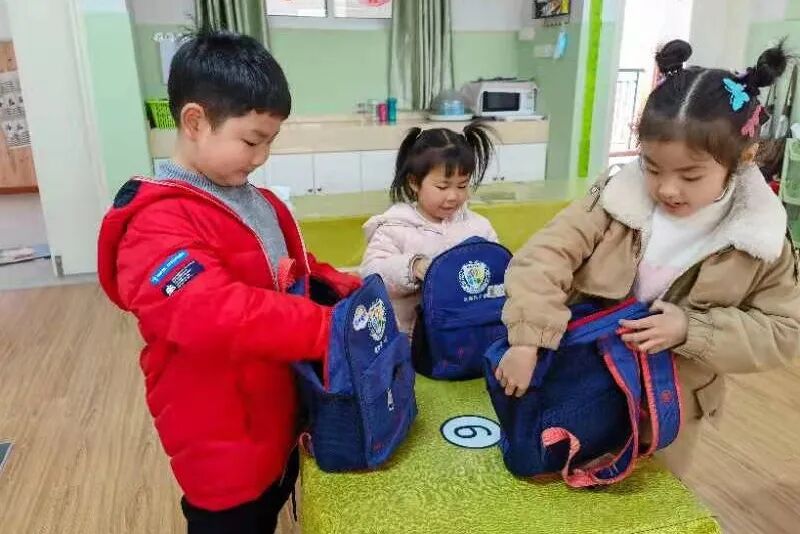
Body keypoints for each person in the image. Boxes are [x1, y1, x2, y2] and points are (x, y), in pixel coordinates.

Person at [96, 30, 360, 533]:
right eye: (251, 141)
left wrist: (343, 287)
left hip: (275, 411)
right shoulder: (155, 223)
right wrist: (329, 328)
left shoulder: (257, 200)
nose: (261, 157)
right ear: (195, 121)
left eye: (269, 142)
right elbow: (212, 311)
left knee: (274, 497)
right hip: (220, 433)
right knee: (236, 519)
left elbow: (289, 268)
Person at [495, 39, 800, 475]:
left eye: (690, 175)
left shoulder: (761, 238)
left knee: (656, 498)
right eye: (653, 168)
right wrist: (528, 337)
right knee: (561, 482)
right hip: (585, 382)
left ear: (743, 159)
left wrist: (690, 329)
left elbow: (785, 331)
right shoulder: (615, 199)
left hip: (671, 407)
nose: (668, 189)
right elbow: (543, 257)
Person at [360, 121, 499, 333]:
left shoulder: (479, 227)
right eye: (442, 187)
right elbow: (371, 274)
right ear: (414, 182)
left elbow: (498, 273)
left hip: (464, 336)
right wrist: (412, 267)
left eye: (462, 185)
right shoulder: (394, 227)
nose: (453, 196)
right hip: (409, 338)